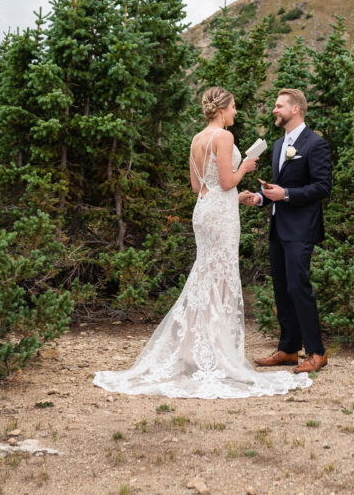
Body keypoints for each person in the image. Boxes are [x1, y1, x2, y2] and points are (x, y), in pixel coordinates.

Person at [93, 87, 311, 399]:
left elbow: (200, 186)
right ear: (222, 110)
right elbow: (225, 181)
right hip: (220, 217)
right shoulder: (223, 137)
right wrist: (245, 168)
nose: (235, 112)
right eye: (234, 107)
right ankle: (215, 351)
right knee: (219, 277)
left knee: (206, 274)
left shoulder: (197, 139)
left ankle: (194, 349)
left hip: (206, 210)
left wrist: (236, 197)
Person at [242, 88, 332, 374]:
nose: (274, 110)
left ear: (296, 109)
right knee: (282, 289)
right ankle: (289, 349)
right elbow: (277, 187)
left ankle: (317, 352)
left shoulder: (315, 144)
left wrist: (287, 195)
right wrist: (259, 197)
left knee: (298, 287)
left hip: (301, 228)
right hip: (278, 228)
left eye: (279, 106)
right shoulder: (280, 145)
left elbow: (322, 187)